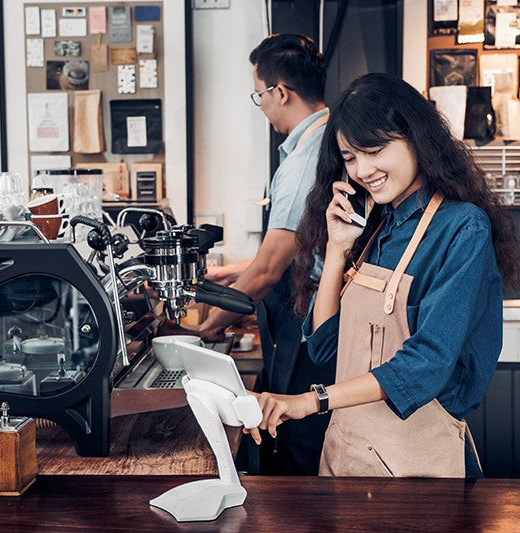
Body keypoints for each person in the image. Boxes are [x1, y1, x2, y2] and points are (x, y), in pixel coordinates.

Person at [247, 73, 520, 478]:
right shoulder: (378, 224)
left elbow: (427, 364)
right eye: (349, 158)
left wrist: (310, 401)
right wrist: (338, 248)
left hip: (414, 467)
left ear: (415, 137)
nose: (362, 170)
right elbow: (326, 346)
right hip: (345, 454)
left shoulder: (463, 229)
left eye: (373, 150)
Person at [197, 34, 335, 475]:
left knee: (296, 446)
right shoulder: (330, 139)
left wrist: (207, 329)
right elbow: (298, 247)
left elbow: (271, 268)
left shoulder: (301, 162)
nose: (260, 106)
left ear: (280, 92)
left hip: (310, 325)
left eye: (259, 94)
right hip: (318, 315)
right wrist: (225, 274)